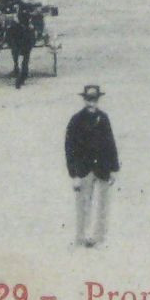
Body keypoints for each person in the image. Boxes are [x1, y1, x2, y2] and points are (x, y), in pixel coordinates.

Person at [64, 84, 119, 248]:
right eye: (89, 100)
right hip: (83, 169)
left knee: (102, 205)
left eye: (94, 100)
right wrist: (74, 174)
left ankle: (99, 238)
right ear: (84, 100)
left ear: (98, 100)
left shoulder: (104, 118)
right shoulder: (76, 120)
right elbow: (69, 148)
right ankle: (81, 238)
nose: (91, 103)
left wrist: (113, 169)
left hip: (102, 168)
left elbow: (110, 143)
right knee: (83, 205)